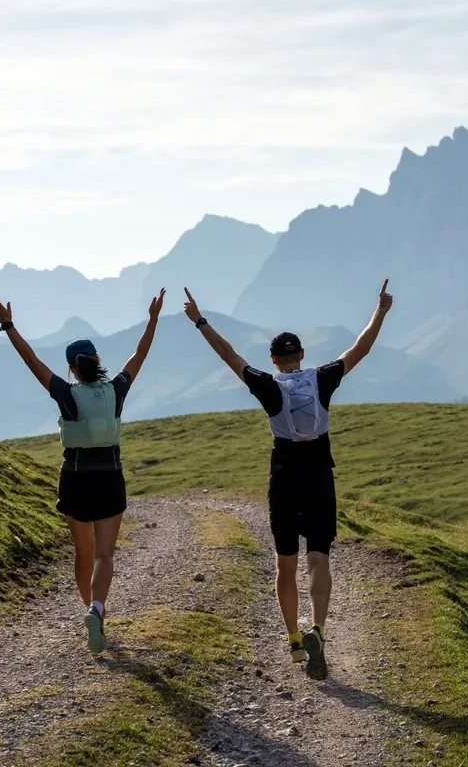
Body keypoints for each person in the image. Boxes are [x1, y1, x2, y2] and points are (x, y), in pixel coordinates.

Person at [182, 281, 393, 680]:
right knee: (319, 558)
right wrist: (381, 310)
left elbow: (229, 355)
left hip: (284, 478)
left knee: (285, 563)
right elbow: (360, 349)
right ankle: (320, 630)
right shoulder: (322, 378)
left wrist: (200, 321)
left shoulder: (267, 384)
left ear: (274, 359)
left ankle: (294, 639)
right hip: (318, 476)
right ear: (302, 355)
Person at [0, 289, 166, 653]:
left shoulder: (66, 393)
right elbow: (140, 354)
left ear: (72, 367)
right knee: (105, 555)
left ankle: (89, 610)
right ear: (98, 361)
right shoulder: (117, 388)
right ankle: (97, 611)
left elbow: (31, 360)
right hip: (109, 477)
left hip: (74, 478)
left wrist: (8, 325)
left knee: (82, 553)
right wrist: (152, 318)